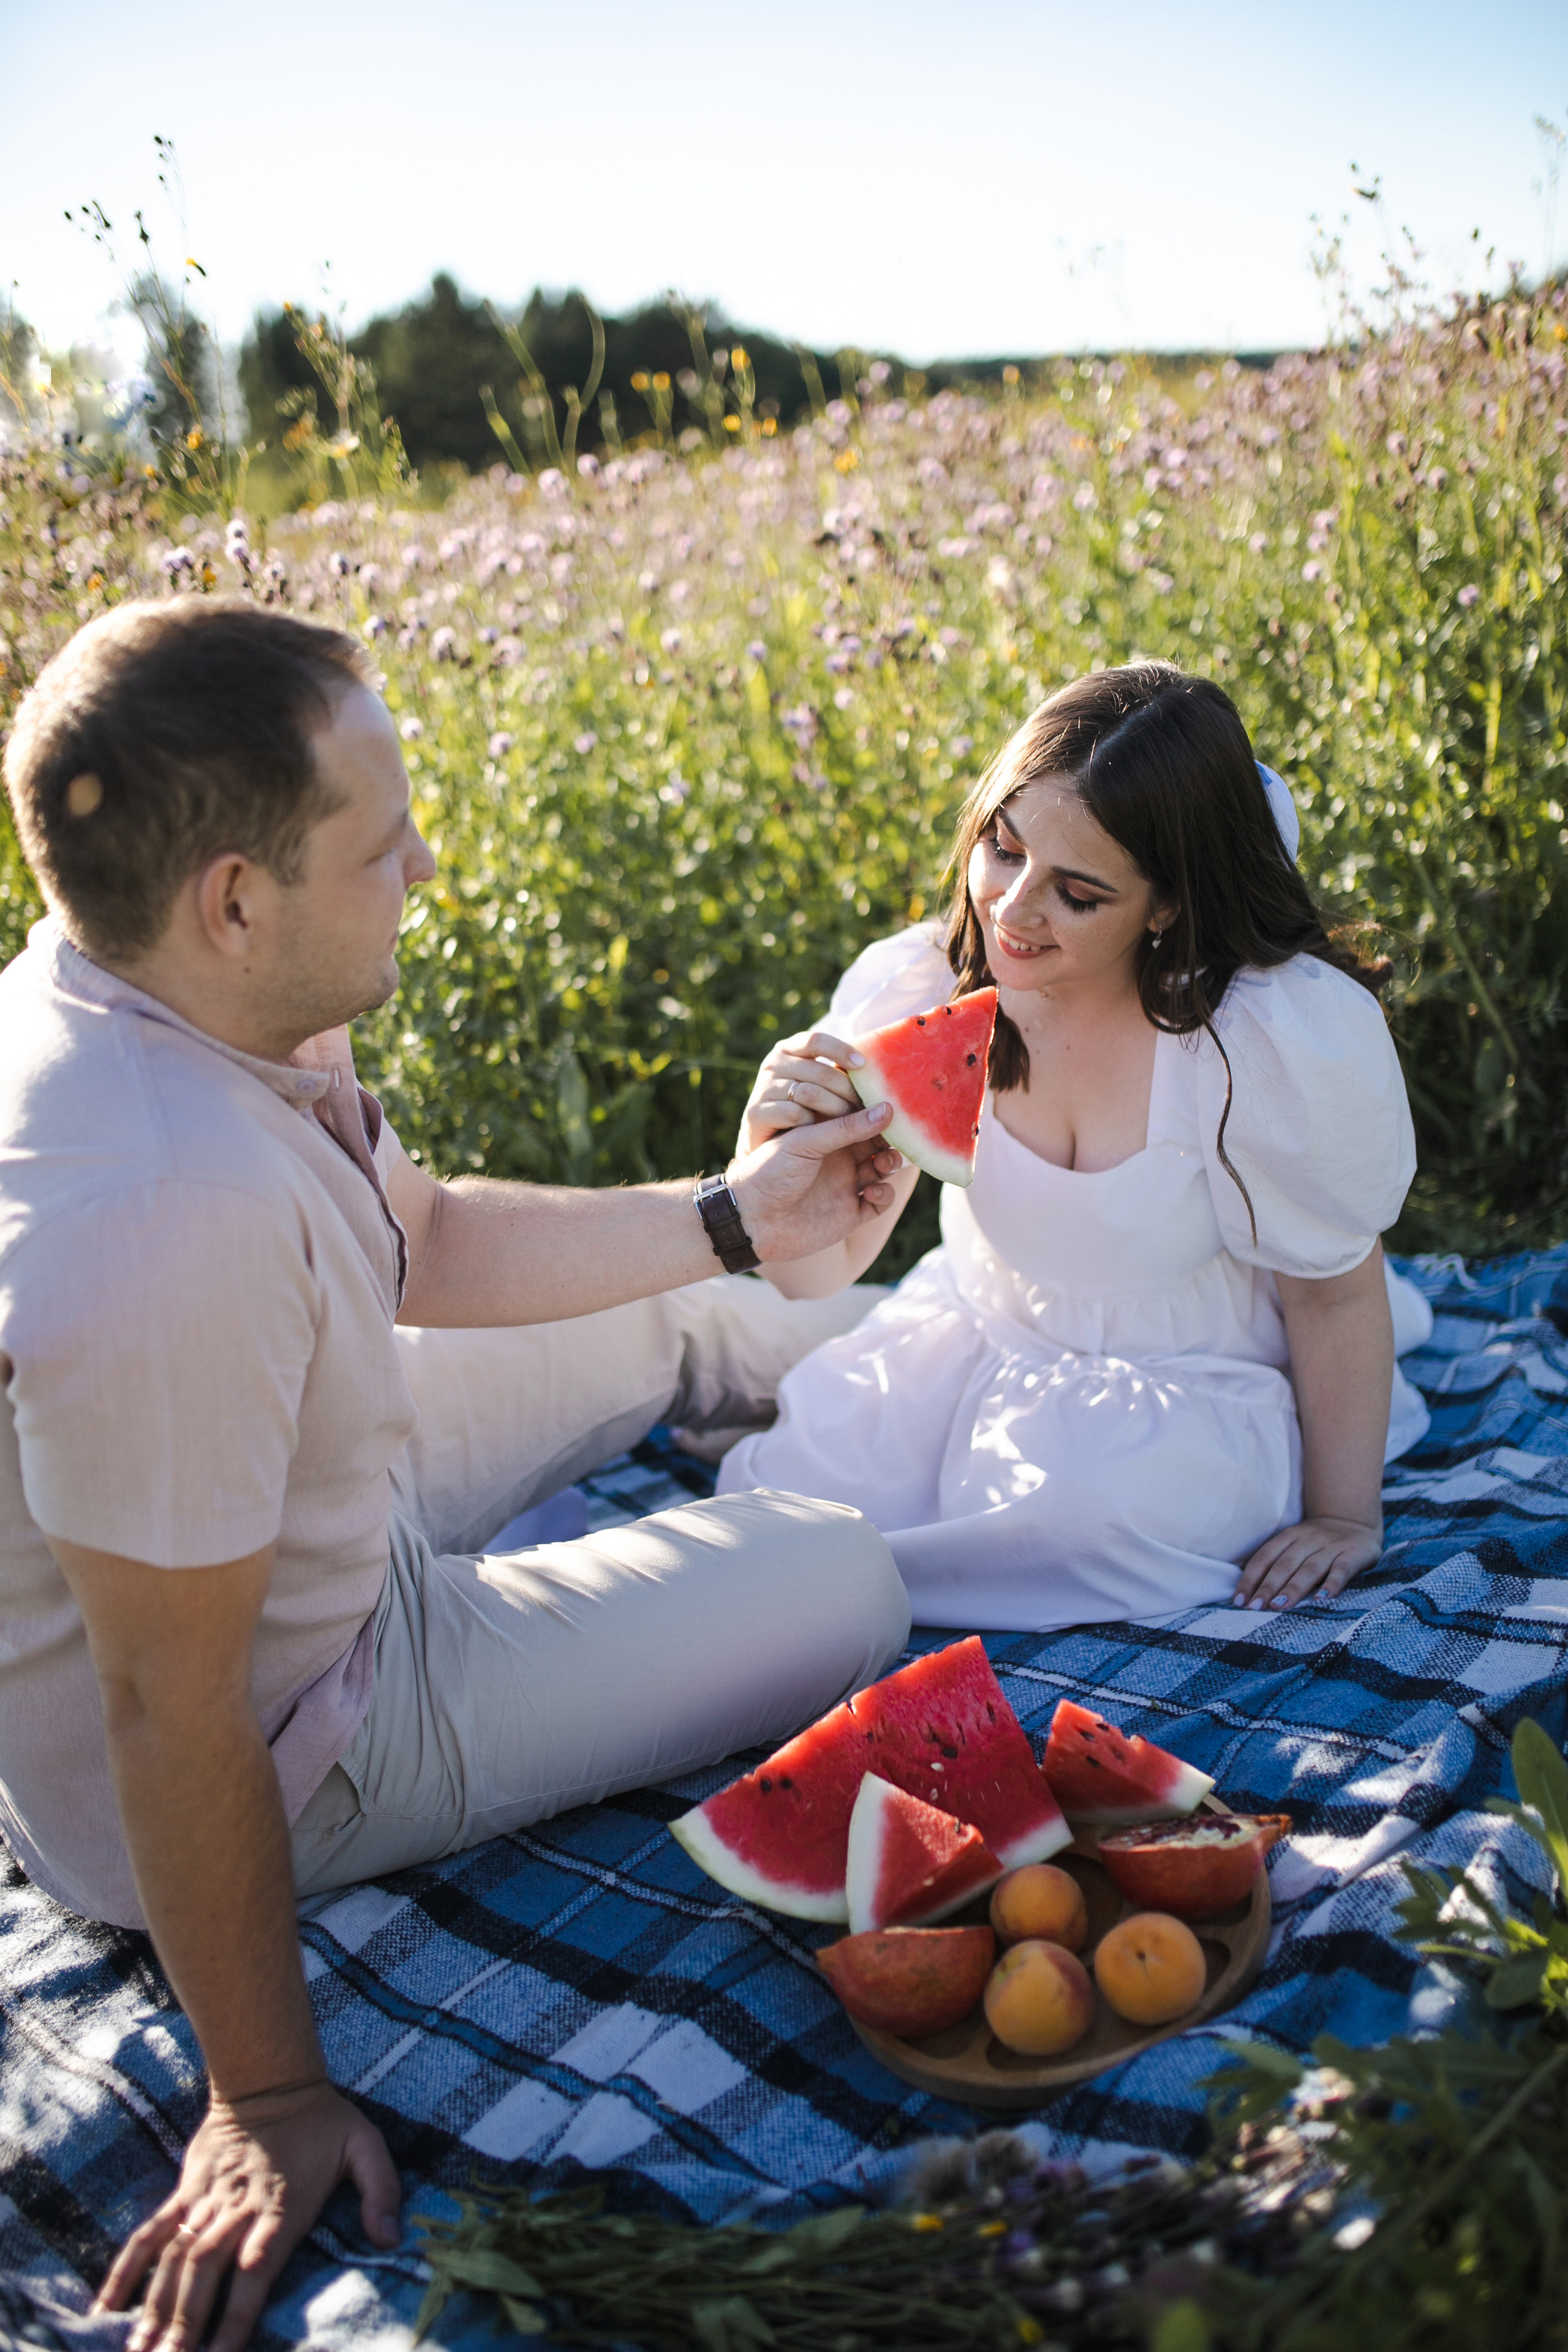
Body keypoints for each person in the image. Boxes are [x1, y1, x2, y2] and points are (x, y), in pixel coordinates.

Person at [0, 598, 912, 2352]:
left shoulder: (192, 990)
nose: (426, 859)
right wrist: (264, 2099)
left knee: (674, 1320)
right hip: (309, 1726)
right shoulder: (158, 1217)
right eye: (380, 837)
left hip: (299, 1485)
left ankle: (932, 1330)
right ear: (237, 898)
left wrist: (734, 1218)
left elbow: (412, 1240)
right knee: (844, 1569)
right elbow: (168, 1700)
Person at [718, 663, 1433, 1629]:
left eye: (1079, 894)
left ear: (1167, 906)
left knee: (1084, 1515)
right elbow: (822, 1277)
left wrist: (1347, 1516)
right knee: (787, 1499)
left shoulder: (1249, 1044)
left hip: (1189, 1381)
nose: (1011, 911)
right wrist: (763, 1163)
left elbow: (1336, 1293)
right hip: (975, 1336)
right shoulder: (927, 992)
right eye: (1003, 849)